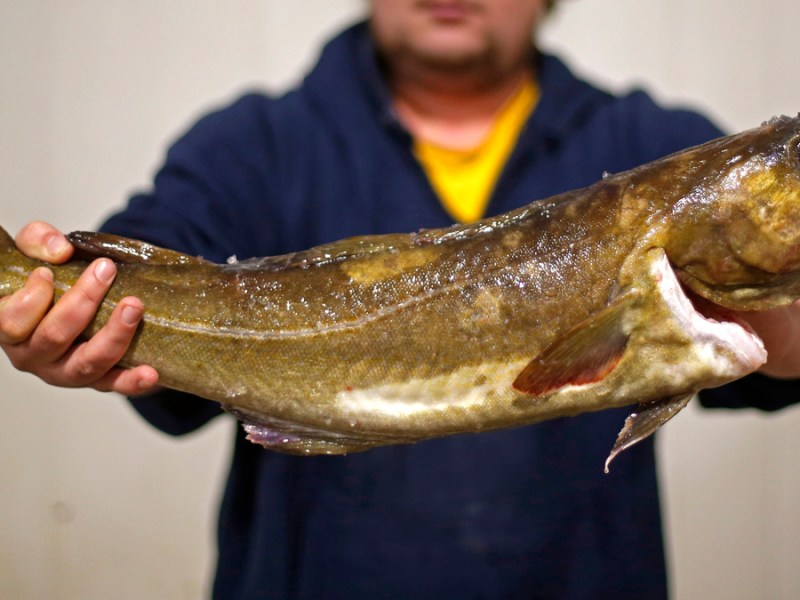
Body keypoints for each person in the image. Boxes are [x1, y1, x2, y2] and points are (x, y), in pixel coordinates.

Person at [2, 1, 800, 598]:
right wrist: (62, 313)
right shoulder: (253, 143)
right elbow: (145, 265)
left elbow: (767, 364)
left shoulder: (653, 143)